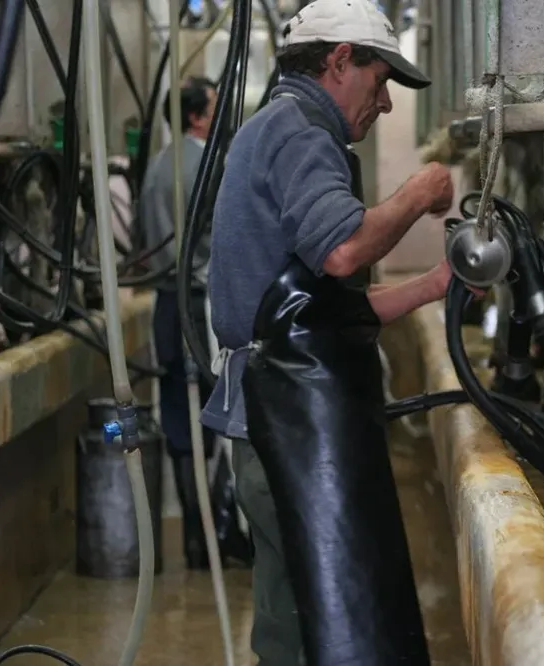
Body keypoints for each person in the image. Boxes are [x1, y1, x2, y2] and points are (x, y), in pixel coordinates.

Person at [199, 0, 459, 662]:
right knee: (306, 629)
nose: (388, 106)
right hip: (285, 423)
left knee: (316, 616)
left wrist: (433, 285)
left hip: (286, 413)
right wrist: (418, 193)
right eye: (381, 84)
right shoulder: (299, 133)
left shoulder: (285, 128)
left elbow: (323, 312)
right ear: (341, 61)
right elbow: (343, 250)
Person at [138, 76, 249, 570]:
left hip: (166, 307)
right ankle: (222, 533)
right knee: (225, 416)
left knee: (179, 420)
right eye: (215, 105)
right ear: (198, 117)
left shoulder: (158, 167)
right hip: (203, 305)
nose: (222, 113)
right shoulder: (211, 165)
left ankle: (194, 539)